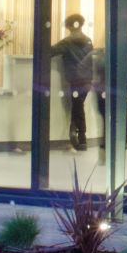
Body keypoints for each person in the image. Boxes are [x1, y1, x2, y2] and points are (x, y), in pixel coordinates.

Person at [47, 14, 95, 152]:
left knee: (77, 106)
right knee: (78, 105)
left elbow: (49, 52)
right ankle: (75, 133)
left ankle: (81, 138)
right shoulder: (88, 41)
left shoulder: (66, 42)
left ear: (68, 27)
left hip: (75, 79)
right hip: (88, 79)